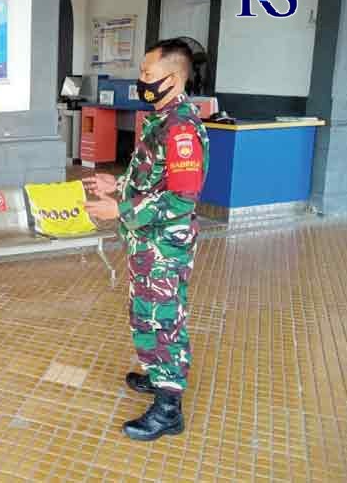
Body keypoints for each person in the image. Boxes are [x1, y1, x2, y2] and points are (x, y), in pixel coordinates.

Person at [85, 39, 210, 441]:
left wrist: (121, 210)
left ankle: (169, 408)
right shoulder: (162, 120)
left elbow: (182, 197)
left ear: (172, 78)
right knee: (147, 313)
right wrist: (118, 184)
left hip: (164, 246)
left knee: (163, 318)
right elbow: (154, 179)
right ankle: (158, 375)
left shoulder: (181, 128)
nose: (141, 80)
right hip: (149, 243)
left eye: (147, 73)